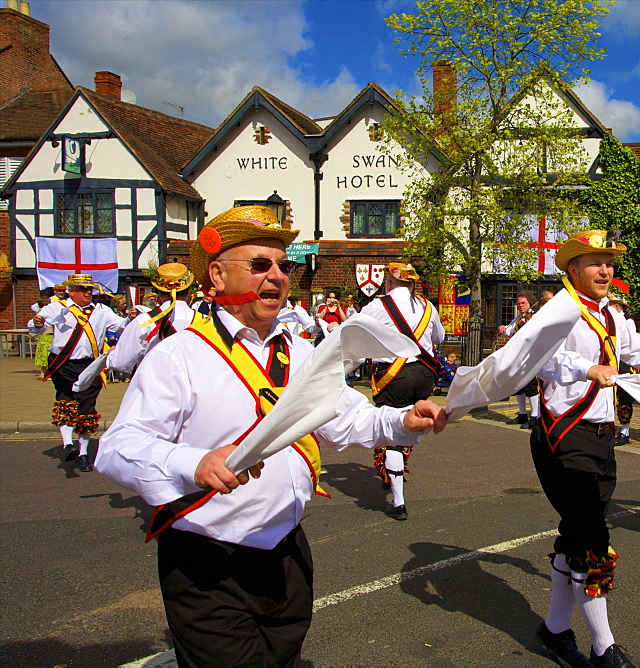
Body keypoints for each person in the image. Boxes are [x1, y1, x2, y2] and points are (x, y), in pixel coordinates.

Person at [95, 205, 447, 667]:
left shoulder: (302, 351)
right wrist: (195, 463)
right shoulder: (179, 355)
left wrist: (402, 421)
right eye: (260, 265)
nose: (278, 276)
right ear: (217, 275)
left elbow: (346, 418)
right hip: (207, 559)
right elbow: (119, 448)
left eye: (285, 266)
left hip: (287, 551)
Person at [532, 230, 640, 668]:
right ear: (572, 269)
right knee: (593, 538)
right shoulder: (559, 311)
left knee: (576, 533)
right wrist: (585, 367)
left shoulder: (610, 315)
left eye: (609, 262)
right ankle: (604, 646)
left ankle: (554, 630)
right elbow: (536, 359)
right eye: (595, 261)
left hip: (601, 436)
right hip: (563, 436)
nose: (606, 269)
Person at [361, 261, 445, 520]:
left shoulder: (377, 306)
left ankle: (398, 502)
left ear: (388, 283)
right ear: (411, 284)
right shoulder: (427, 306)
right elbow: (439, 338)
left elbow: (352, 333)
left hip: (395, 375)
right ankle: (392, 473)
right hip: (424, 375)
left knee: (391, 434)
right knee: (408, 425)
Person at [27, 274, 130, 471]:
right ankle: (67, 444)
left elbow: (120, 325)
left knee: (87, 406)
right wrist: (38, 324)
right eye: (82, 290)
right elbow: (36, 326)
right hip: (63, 363)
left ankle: (83, 453)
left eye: (89, 289)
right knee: (66, 399)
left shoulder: (101, 310)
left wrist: (131, 317)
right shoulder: (57, 307)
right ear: (71, 291)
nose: (87, 293)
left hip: (90, 365)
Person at [107, 263, 198, 374]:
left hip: (154, 387)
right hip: (194, 389)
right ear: (188, 290)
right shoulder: (205, 321)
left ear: (158, 291)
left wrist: (111, 355)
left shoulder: (143, 322)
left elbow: (120, 363)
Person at [498, 291, 540, 428]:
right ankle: (522, 414)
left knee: (530, 386)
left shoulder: (536, 317)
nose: (521, 306)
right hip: (518, 357)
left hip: (531, 356)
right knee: (518, 386)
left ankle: (535, 415)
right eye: (519, 304)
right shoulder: (518, 318)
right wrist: (503, 329)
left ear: (530, 303)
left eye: (524, 303)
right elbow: (509, 331)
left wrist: (526, 324)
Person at [607, 292, 636, 447]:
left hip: (624, 362)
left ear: (617, 307)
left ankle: (625, 430)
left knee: (624, 398)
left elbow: (630, 345)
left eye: (610, 305)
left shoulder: (627, 321)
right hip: (613, 361)